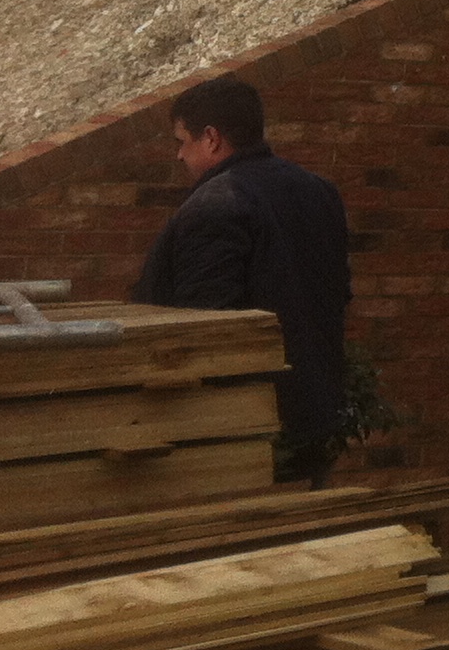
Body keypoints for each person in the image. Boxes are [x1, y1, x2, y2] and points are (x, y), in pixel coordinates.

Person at [131, 75, 353, 486]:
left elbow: (208, 329)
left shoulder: (215, 205)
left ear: (211, 138)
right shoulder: (319, 192)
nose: (179, 155)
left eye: (183, 141)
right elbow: (336, 295)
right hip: (316, 415)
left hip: (243, 430)